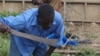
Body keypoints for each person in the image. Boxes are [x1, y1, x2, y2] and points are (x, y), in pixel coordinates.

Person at [0, 4, 66, 56]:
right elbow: (3, 20)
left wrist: (47, 54)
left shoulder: (58, 20)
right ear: (38, 18)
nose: (49, 25)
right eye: (46, 23)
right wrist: (1, 25)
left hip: (41, 41)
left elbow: (57, 40)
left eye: (51, 22)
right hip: (21, 42)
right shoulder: (24, 20)